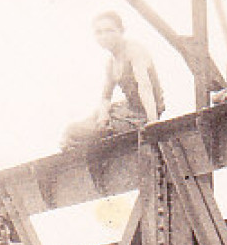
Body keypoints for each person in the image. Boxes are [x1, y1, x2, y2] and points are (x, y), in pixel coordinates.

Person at [62, 10, 165, 152]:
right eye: (99, 32)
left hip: (142, 115)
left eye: (109, 31)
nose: (104, 36)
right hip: (126, 110)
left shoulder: (134, 51)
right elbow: (106, 95)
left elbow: (145, 86)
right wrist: (102, 119)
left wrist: (153, 124)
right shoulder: (111, 62)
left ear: (121, 31)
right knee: (73, 130)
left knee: (74, 132)